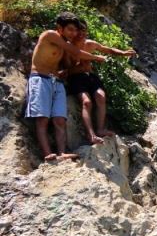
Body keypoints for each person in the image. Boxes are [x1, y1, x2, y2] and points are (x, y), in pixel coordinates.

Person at [27, 12, 107, 162]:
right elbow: (75, 52)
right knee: (42, 119)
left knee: (60, 120)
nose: (74, 33)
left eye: (76, 30)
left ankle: (62, 152)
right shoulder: (49, 35)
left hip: (56, 81)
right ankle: (47, 154)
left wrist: (64, 71)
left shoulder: (66, 45)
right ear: (59, 27)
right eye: (70, 29)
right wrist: (96, 57)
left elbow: (69, 61)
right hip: (40, 78)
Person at [66, 20, 137, 144]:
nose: (82, 35)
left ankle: (100, 129)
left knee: (101, 96)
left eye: (84, 33)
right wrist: (79, 66)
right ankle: (91, 134)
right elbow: (65, 69)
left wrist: (124, 53)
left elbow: (108, 50)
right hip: (76, 78)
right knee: (87, 102)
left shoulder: (90, 44)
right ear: (74, 33)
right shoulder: (68, 47)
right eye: (79, 33)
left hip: (90, 76)